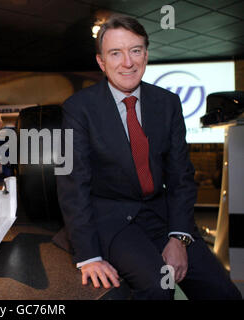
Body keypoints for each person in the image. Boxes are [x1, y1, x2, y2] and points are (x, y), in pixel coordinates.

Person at [56, 14, 242, 300]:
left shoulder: (167, 103)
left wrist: (179, 236)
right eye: (115, 53)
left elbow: (180, 177)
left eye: (135, 50)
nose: (127, 62)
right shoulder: (78, 108)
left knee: (223, 292)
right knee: (159, 287)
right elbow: (73, 185)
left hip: (162, 215)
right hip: (112, 219)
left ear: (146, 54)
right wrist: (89, 256)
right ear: (101, 62)